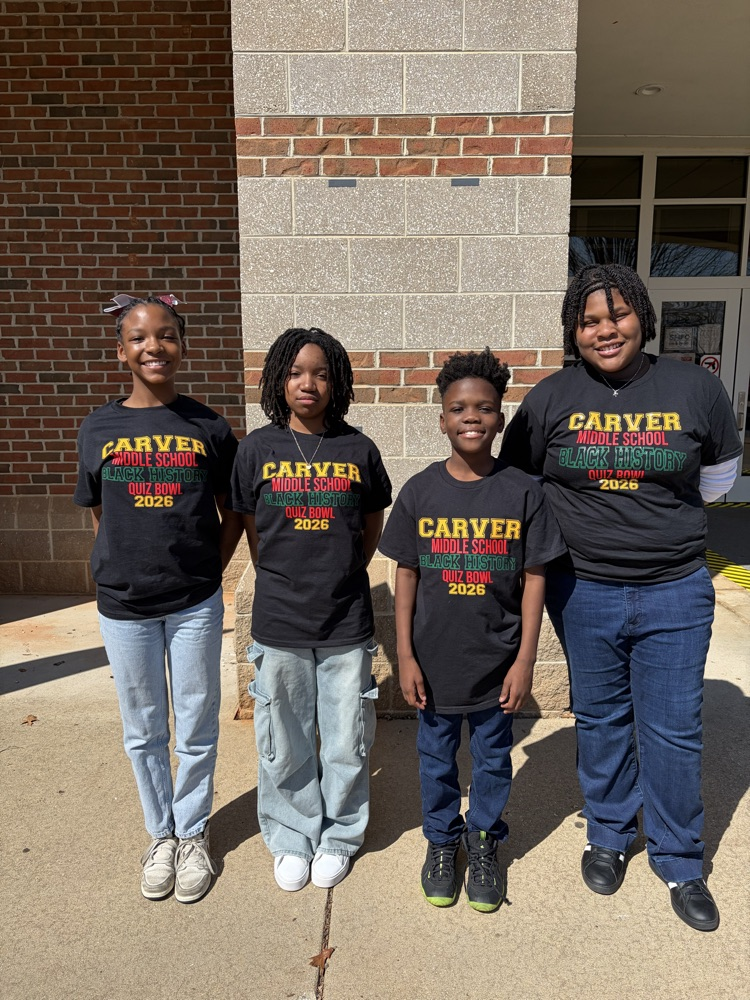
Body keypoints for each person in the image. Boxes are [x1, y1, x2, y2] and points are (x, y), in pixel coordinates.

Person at [500, 263, 742, 932]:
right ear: (573, 331)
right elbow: (518, 486)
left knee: (673, 730)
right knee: (603, 720)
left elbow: (719, 480)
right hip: (583, 591)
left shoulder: (696, 388)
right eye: (589, 321)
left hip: (675, 590)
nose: (605, 330)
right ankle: (608, 833)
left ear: (642, 316)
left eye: (617, 315)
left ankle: (680, 858)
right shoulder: (551, 397)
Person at [378, 348, 566, 912]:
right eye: (458, 407)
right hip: (433, 667)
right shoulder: (419, 492)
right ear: (441, 418)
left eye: (484, 407)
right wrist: (405, 656)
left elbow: (535, 579)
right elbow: (404, 574)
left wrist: (525, 661)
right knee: (436, 762)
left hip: (496, 662)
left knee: (490, 761)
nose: (471, 417)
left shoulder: (523, 492)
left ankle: (483, 839)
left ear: (500, 418)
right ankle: (441, 841)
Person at [74, 294, 243, 903]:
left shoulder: (208, 427)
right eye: (140, 338)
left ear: (182, 345)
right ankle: (160, 835)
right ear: (122, 351)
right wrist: (120, 564)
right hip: (124, 606)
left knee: (196, 725)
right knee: (143, 730)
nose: (154, 347)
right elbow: (99, 512)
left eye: (166, 335)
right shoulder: (98, 428)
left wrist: (208, 572)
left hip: (195, 603)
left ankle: (193, 832)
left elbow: (233, 513)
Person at [227, 327, 392, 892]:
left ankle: (341, 835)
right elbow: (254, 531)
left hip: (346, 621)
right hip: (281, 621)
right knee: (285, 737)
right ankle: (292, 835)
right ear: (277, 379)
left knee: (347, 739)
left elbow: (370, 528)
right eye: (296, 372)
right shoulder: (255, 449)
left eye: (321, 372)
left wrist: (340, 570)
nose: (308, 383)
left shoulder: (358, 450)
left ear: (337, 381)